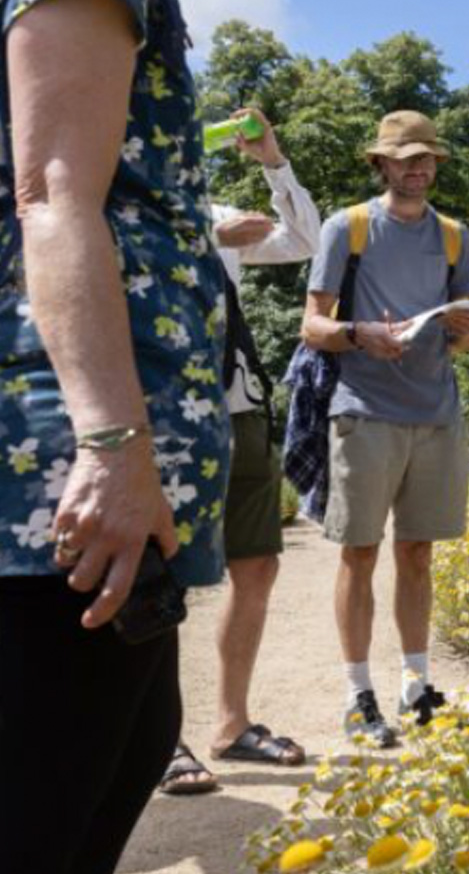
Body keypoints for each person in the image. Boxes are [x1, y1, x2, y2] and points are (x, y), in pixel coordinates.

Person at [0, 0, 305, 871]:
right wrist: (114, 447)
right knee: (49, 791)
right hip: (72, 475)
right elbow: (52, 195)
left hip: (118, 470)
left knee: (123, 753)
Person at [301, 109, 469, 748]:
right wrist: (358, 335)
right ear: (381, 164)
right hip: (363, 409)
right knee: (359, 552)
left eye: (426, 157)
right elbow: (312, 327)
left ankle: (415, 686)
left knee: (418, 553)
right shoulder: (346, 227)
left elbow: (459, 337)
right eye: (406, 158)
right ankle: (358, 695)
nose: (419, 168)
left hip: (435, 414)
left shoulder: (457, 237)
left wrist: (462, 330)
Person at [160, 108, 321, 795]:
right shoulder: (132, 202)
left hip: (239, 400)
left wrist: (272, 159)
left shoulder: (220, 207)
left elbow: (305, 240)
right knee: (157, 580)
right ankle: (159, 742)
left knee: (255, 566)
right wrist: (205, 236)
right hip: (162, 405)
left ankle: (231, 725)